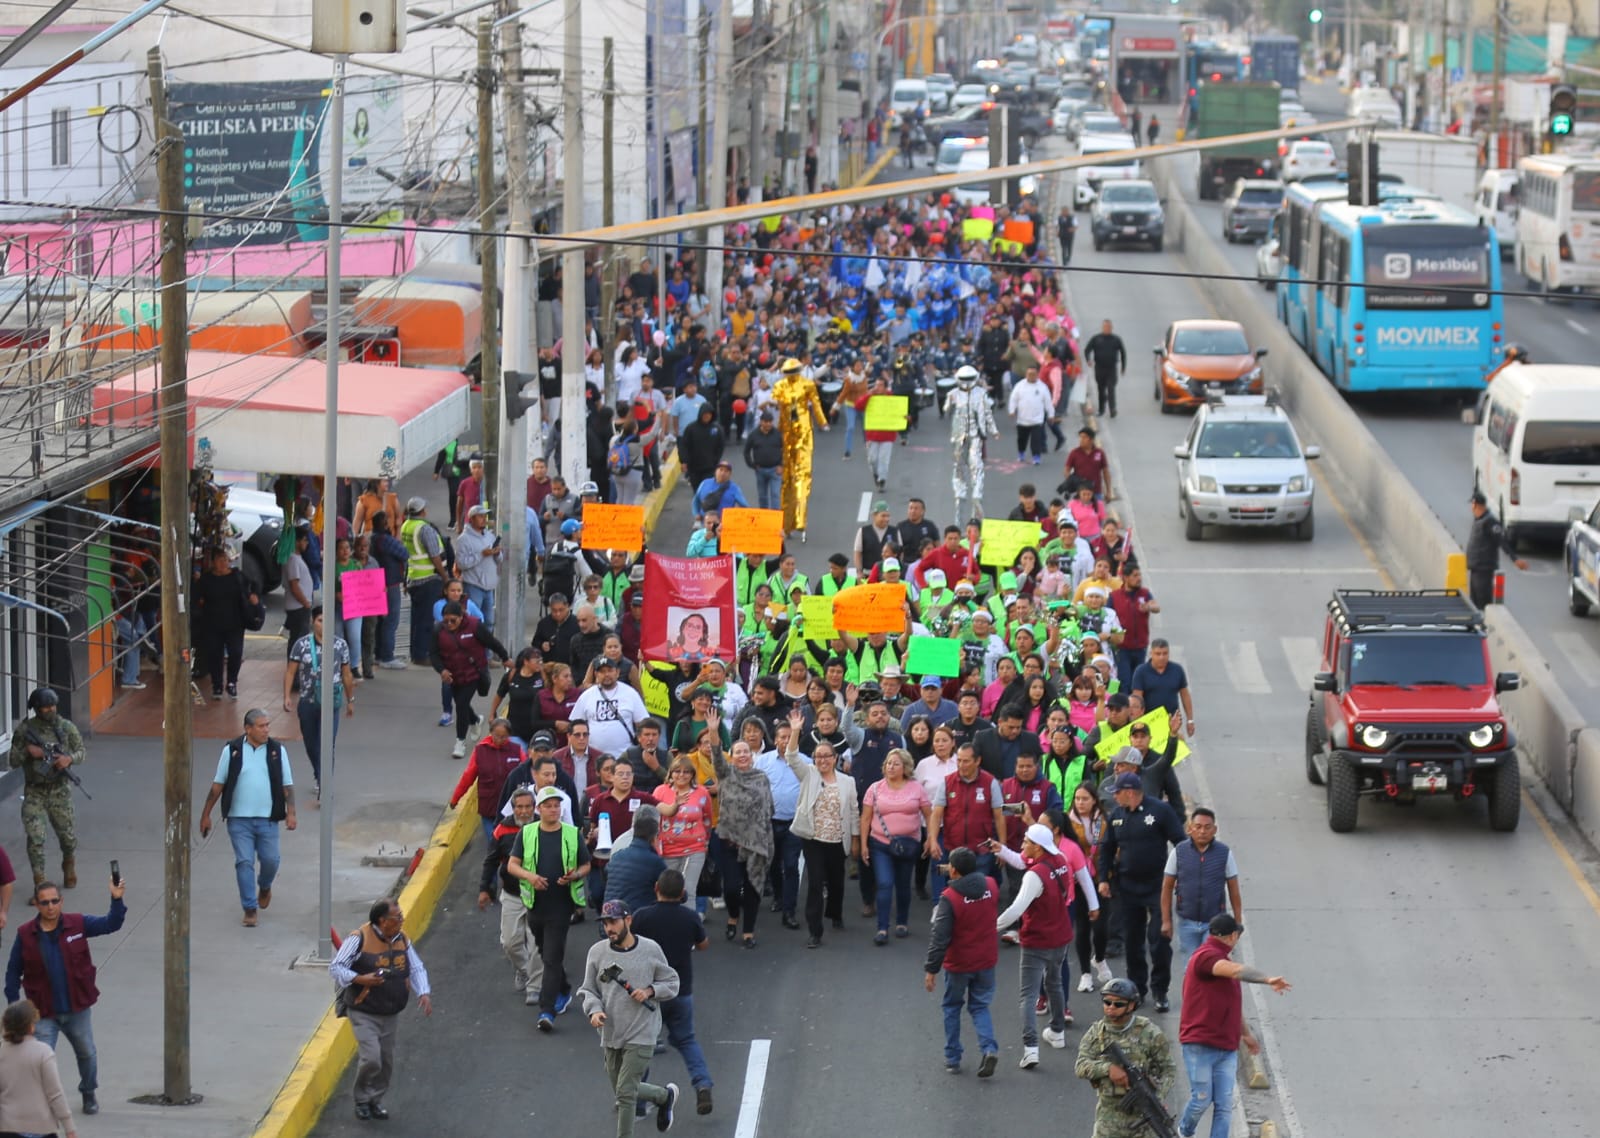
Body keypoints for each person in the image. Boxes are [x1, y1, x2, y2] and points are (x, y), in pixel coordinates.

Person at [4, 875, 127, 1116]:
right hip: (42, 1013)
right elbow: (12, 972)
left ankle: (88, 1092)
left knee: (87, 1054)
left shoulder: (77, 924)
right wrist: (13, 1009)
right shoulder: (25, 934)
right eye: (45, 902)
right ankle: (41, 1103)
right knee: (39, 1062)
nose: (50, 906)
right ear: (37, 905)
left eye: (54, 901)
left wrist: (116, 899)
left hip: (77, 1008)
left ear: (61, 902)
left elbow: (111, 924)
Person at [1178, 914, 1291, 1138]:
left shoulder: (1221, 961)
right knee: (1202, 1098)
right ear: (1232, 936)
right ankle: (1184, 1131)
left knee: (1224, 1105)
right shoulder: (1206, 956)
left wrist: (1246, 1035)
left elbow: (1232, 1005)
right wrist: (1267, 979)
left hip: (1226, 1047)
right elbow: (1237, 971)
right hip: (1201, 1044)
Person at [578, 900, 682, 1137]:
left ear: (628, 920)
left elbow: (672, 982)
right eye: (605, 923)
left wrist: (649, 991)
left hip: (642, 1031)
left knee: (625, 1093)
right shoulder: (597, 952)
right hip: (611, 1032)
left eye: (613, 922)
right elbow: (588, 990)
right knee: (622, 1089)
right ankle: (664, 1097)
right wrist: (593, 1010)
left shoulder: (650, 949)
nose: (609, 928)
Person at [329, 897, 434, 1122]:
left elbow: (415, 967)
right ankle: (361, 1099)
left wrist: (423, 992)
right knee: (372, 1058)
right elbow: (336, 967)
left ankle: (374, 1100)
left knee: (386, 1062)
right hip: (364, 1010)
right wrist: (360, 978)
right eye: (397, 917)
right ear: (382, 920)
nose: (401, 920)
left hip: (390, 1012)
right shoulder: (359, 938)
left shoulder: (402, 939)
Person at [199, 709, 297, 926]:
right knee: (244, 862)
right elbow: (218, 785)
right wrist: (206, 814)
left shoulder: (277, 751)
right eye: (261, 726)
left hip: (268, 819)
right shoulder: (232, 750)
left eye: (267, 725)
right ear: (248, 729)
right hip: (238, 820)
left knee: (271, 860)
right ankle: (250, 908)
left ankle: (264, 885)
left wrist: (291, 812)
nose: (266, 730)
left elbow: (286, 785)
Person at [631, 871, 716, 1116]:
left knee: (643, 1045)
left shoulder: (642, 917)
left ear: (656, 887)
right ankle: (702, 1084)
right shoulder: (689, 917)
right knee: (686, 1040)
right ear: (682, 894)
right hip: (680, 990)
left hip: (650, 993)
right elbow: (703, 944)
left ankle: (638, 1100)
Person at [992, 823, 1076, 1069]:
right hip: (1061, 935)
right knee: (1055, 983)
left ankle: (1030, 1048)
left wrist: (990, 927)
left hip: (1037, 939)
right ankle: (1057, 1032)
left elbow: (1016, 909)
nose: (1022, 845)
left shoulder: (1034, 875)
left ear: (1037, 847)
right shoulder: (1059, 860)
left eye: (1026, 841)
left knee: (1027, 995)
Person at [1099, 772, 1185, 1012]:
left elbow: (1180, 842)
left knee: (1159, 941)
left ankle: (1160, 989)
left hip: (1158, 887)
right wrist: (1103, 879)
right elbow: (1106, 849)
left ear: (1129, 792)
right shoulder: (1116, 815)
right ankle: (1137, 988)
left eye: (1117, 792)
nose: (1114, 797)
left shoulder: (1159, 811)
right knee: (1133, 942)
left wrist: (1181, 876)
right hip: (1127, 888)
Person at [509, 785, 592, 1031]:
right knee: (548, 955)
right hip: (535, 905)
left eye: (557, 805)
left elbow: (586, 865)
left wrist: (575, 874)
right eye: (548, 806)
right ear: (539, 809)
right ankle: (564, 988)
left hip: (561, 905)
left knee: (552, 958)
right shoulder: (527, 833)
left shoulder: (571, 833)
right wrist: (530, 877)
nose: (553, 809)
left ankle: (547, 1011)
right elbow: (513, 865)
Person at [783, 706, 858, 949]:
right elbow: (792, 756)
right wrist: (795, 731)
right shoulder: (809, 774)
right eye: (818, 756)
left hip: (838, 839)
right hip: (813, 837)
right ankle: (815, 930)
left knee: (836, 881)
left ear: (835, 758)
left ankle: (835, 914)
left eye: (827, 756)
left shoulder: (848, 781)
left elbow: (854, 811)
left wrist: (856, 839)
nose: (823, 760)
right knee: (815, 883)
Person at [922, 845, 1000, 1077]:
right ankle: (989, 1048)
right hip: (986, 960)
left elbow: (940, 937)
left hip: (959, 964)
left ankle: (953, 1057)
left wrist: (931, 969)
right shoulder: (991, 886)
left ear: (953, 871)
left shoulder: (950, 898)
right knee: (979, 1006)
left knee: (952, 1006)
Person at [1075, 978, 1175, 1137]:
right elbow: (1081, 1065)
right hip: (1108, 1120)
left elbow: (1168, 1070)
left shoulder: (1149, 1033)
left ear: (1132, 1005)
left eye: (1118, 1004)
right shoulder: (1097, 1032)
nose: (1111, 1008)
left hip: (1143, 1120)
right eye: (1107, 1002)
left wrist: (1158, 1097)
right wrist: (1107, 1069)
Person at [7, 688, 86, 888]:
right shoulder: (25, 730)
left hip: (59, 790)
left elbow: (81, 752)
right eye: (44, 707)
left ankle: (69, 863)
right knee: (35, 838)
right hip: (35, 791)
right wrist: (28, 751)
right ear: (36, 709)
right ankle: (39, 882)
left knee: (67, 837)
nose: (50, 710)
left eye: (52, 706)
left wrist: (68, 759)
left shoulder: (66, 727)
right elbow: (13, 761)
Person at [860, 748, 931, 944]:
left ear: (905, 767)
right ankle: (882, 927)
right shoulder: (875, 788)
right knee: (884, 883)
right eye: (888, 763)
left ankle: (902, 922)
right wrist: (864, 845)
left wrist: (930, 838)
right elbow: (865, 818)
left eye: (896, 763)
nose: (891, 767)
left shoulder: (916, 788)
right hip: (880, 843)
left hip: (909, 844)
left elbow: (928, 814)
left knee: (903, 884)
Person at [479, 786, 539, 1004]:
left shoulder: (546, 826)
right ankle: (525, 971)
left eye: (528, 807)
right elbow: (491, 860)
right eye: (519, 807)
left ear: (534, 807)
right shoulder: (502, 830)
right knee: (510, 942)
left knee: (536, 944)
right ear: (512, 809)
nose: (523, 811)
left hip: (539, 896)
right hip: (512, 894)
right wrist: (485, 889)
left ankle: (534, 986)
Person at [711, 739, 774, 948]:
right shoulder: (726, 774)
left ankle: (748, 931)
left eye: (746, 751)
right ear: (732, 755)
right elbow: (717, 758)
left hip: (755, 843)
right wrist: (713, 733)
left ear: (751, 755)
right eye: (738, 752)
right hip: (729, 842)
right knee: (730, 888)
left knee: (752, 889)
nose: (742, 755)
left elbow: (768, 809)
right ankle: (732, 915)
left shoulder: (761, 778)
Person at [432, 601, 512, 760]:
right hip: (453, 675)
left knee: (461, 704)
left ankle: (460, 742)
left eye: (453, 620)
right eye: (445, 621)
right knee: (461, 703)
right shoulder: (438, 630)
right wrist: (442, 670)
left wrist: (505, 658)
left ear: (462, 617)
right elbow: (434, 654)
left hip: (474, 673)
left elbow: (492, 642)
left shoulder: (475, 626)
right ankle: (475, 720)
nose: (449, 624)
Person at [1161, 807, 1243, 958]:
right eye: (1198, 827)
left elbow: (1234, 891)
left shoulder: (1224, 853)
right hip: (1186, 923)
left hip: (1215, 925)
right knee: (1191, 968)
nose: (1202, 831)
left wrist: (1237, 924)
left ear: (1214, 830)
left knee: (1212, 966)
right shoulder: (1178, 852)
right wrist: (1166, 920)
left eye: (1207, 827)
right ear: (1189, 828)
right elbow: (1166, 887)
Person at [0, 998, 77, 1138]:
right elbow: (55, 1094)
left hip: (8, 1127)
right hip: (41, 1128)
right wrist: (69, 1128)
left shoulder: (2, 1051)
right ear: (31, 1026)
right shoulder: (43, 1052)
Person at [770, 357, 829, 537]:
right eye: (788, 373)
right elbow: (773, 403)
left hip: (803, 432)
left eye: (793, 373)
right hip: (785, 433)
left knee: (803, 475)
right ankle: (786, 526)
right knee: (786, 480)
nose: (791, 376)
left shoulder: (808, 384)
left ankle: (800, 520)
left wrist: (822, 422)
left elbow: (816, 404)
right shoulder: (780, 386)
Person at [193, 547, 257, 699]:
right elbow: (196, 597)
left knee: (235, 652)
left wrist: (253, 598)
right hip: (212, 624)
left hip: (235, 623)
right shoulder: (206, 579)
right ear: (213, 562)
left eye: (225, 559)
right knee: (215, 654)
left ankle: (232, 682)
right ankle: (217, 685)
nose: (223, 563)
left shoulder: (238, 576)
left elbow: (252, 588)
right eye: (220, 560)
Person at [947, 366, 999, 523]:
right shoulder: (953, 394)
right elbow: (947, 409)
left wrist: (993, 429)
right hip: (959, 437)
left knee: (976, 466)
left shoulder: (981, 394)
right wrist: (950, 403)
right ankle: (959, 497)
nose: (967, 383)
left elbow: (988, 413)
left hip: (976, 435)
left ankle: (977, 496)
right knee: (959, 468)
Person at [401, 497, 449, 666]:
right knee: (425, 620)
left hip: (414, 577)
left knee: (416, 618)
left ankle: (415, 652)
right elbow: (434, 556)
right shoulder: (425, 529)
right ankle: (421, 655)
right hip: (428, 578)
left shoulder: (406, 526)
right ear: (422, 511)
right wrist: (445, 577)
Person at [570, 657, 649, 756]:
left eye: (610, 670)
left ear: (617, 672)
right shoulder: (587, 695)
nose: (606, 674)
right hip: (594, 758)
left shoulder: (630, 693)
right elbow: (574, 726)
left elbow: (643, 724)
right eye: (602, 672)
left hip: (625, 757)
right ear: (596, 674)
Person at [1467, 491, 1528, 607]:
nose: (1471, 508)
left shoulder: (1490, 522)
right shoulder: (1479, 520)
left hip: (1484, 570)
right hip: (1476, 569)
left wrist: (1515, 559)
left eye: (1472, 504)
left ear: (1475, 504)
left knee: (1483, 602)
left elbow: (1502, 541)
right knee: (1474, 602)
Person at [1131, 639, 1195, 741]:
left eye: (1165, 653)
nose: (1162, 657)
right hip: (1150, 722)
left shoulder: (1177, 670)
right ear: (1151, 653)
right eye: (1158, 654)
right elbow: (1137, 699)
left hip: (1173, 722)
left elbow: (1185, 695)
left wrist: (1190, 720)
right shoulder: (1141, 671)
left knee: (1176, 752)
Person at [455, 504, 503, 633]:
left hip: (489, 588)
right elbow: (461, 564)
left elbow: (499, 560)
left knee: (489, 622)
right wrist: (481, 554)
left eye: (484, 516)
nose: (483, 519)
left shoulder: (490, 536)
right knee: (473, 622)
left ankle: (486, 653)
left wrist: (497, 553)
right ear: (471, 519)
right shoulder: (463, 539)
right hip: (473, 586)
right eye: (480, 516)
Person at [1081, 320, 1127, 420]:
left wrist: (1123, 367)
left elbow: (1123, 353)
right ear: (1102, 328)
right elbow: (1087, 350)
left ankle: (1112, 409)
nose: (1107, 329)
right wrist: (1088, 360)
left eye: (1109, 327)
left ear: (1112, 328)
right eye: (1105, 327)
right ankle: (1101, 409)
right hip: (1099, 368)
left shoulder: (1116, 339)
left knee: (1111, 388)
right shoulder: (1096, 339)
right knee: (1101, 389)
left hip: (1111, 368)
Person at [282, 523, 315, 656]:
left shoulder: (296, 558)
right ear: (296, 542)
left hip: (300, 606)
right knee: (298, 641)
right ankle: (294, 673)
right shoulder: (292, 559)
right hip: (298, 607)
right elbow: (294, 586)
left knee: (300, 639)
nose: (307, 543)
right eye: (304, 540)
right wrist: (305, 603)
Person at [743, 408, 785, 512]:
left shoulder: (777, 434)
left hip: (775, 470)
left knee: (775, 495)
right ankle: (765, 518)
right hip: (760, 470)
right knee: (762, 496)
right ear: (761, 422)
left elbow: (785, 450)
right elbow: (746, 451)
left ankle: (776, 520)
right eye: (766, 422)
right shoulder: (753, 435)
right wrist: (752, 465)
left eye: (770, 422)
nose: (768, 424)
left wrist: (781, 465)